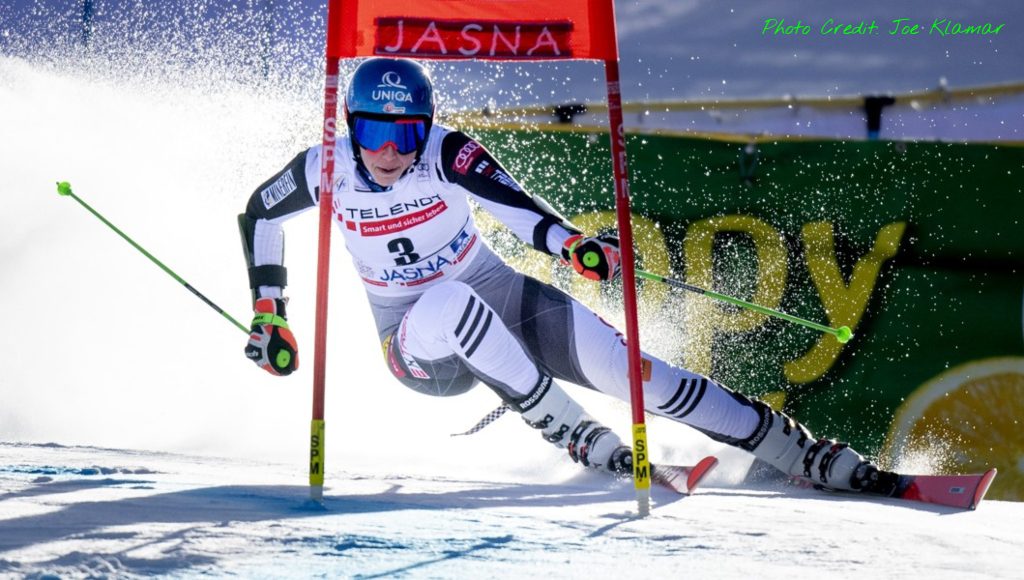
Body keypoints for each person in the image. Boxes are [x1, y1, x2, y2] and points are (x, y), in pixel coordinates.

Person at [238, 57, 896, 494]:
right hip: (415, 347)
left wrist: (572, 246)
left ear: (426, 129)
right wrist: (270, 312)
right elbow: (260, 214)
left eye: (405, 134)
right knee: (449, 300)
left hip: (499, 296)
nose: (389, 152)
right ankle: (584, 439)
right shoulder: (325, 166)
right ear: (351, 127)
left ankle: (799, 454)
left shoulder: (446, 153)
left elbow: (519, 210)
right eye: (374, 133)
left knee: (633, 371)